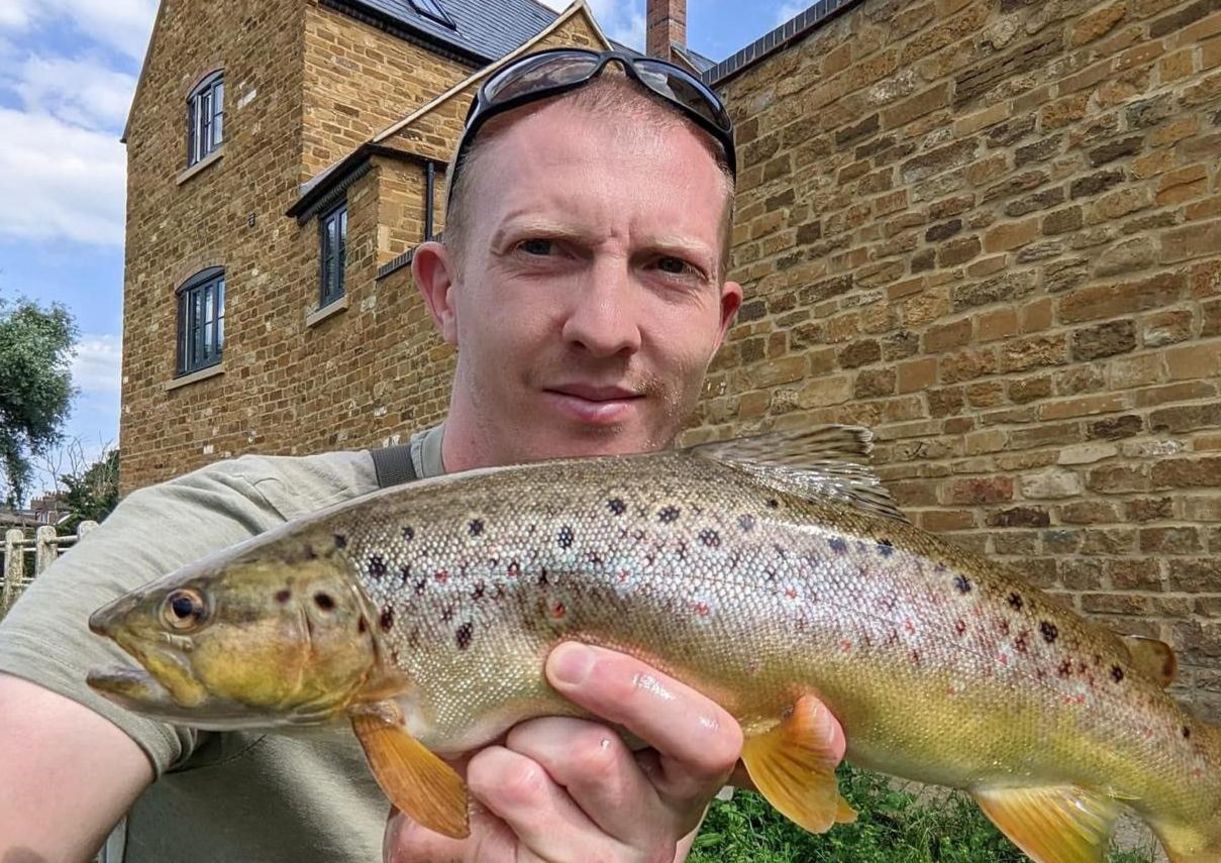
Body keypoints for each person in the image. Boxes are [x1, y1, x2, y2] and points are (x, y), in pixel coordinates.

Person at [0, 49, 845, 862]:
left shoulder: (736, 583)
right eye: (544, 249)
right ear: (444, 291)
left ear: (718, 324)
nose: (606, 326)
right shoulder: (219, 532)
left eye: (668, 266)